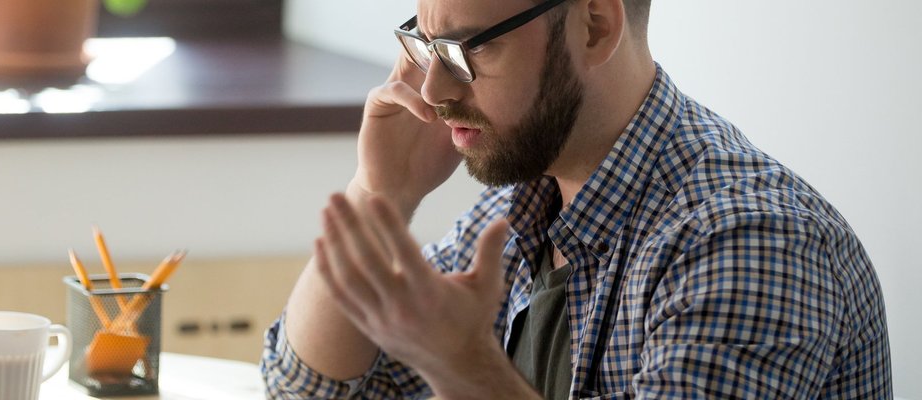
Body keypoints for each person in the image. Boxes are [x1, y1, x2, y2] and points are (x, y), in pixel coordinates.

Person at [260, 0, 893, 398]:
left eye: (468, 47)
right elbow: (305, 387)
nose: (433, 87)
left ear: (594, 25)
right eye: (425, 44)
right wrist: (381, 193)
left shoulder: (749, 243)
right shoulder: (523, 206)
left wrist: (465, 368)